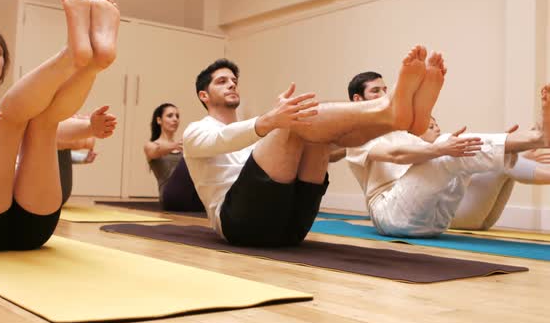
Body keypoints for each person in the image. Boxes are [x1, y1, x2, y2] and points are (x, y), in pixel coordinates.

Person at [183, 45, 443, 247]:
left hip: (292, 226)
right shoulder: (195, 131)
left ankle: (397, 121)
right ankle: (389, 110)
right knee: (294, 120)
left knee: (317, 134)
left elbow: (328, 149)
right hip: (240, 226)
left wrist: (326, 134)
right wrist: (273, 120)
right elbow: (222, 140)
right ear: (203, 96)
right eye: (221, 81)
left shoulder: (258, 135)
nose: (231, 84)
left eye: (234, 81)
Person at [0, 0, 120, 252]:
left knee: (44, 120)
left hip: (33, 226)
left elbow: (56, 130)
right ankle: (72, 56)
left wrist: (89, 127)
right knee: (8, 117)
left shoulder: (24, 105)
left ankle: (94, 64)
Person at [336, 71, 550, 231]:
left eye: (385, 89)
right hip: (389, 214)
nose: (384, 94)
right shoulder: (355, 137)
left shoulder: (404, 133)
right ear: (357, 99)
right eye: (376, 91)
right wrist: (443, 147)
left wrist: (502, 146)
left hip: (435, 221)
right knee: (447, 145)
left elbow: (437, 157)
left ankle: (532, 139)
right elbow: (396, 155)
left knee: (456, 149)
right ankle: (536, 137)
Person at [144, 103, 204, 211]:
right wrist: (175, 146)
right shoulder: (151, 145)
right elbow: (153, 152)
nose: (175, 119)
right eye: (170, 116)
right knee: (189, 159)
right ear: (159, 120)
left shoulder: (182, 146)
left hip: (190, 196)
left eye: (177, 116)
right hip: (170, 197)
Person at [57, 105, 117, 205]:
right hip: (43, 195)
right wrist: (89, 128)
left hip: (60, 194)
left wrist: (83, 158)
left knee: (58, 147)